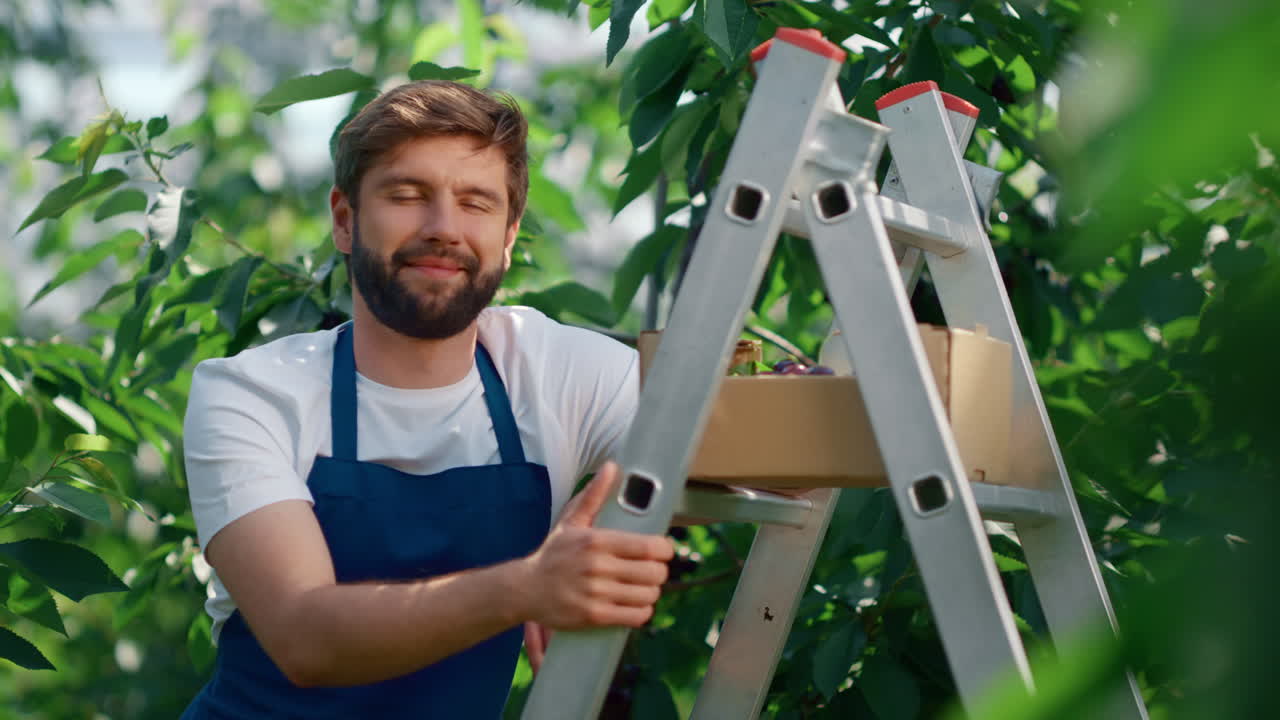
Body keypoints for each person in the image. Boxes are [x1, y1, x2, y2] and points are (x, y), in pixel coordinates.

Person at [179, 80, 673, 718]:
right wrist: (528, 586)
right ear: (345, 221)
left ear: (509, 236)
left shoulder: (552, 370)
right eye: (408, 196)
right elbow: (306, 637)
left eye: (476, 203)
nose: (444, 229)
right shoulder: (253, 394)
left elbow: (731, 440)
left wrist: (612, 496)